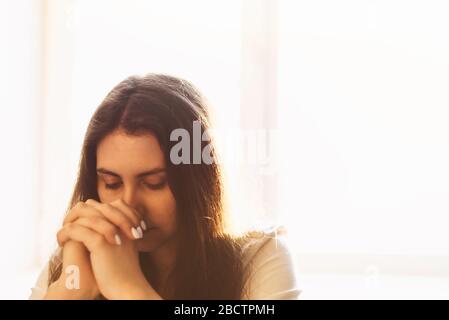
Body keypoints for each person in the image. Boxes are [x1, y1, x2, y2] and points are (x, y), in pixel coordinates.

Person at [29, 73, 300, 300]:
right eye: (112, 183)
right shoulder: (73, 261)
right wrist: (68, 292)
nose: (129, 203)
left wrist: (127, 288)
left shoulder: (261, 259)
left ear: (200, 180)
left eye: (154, 183)